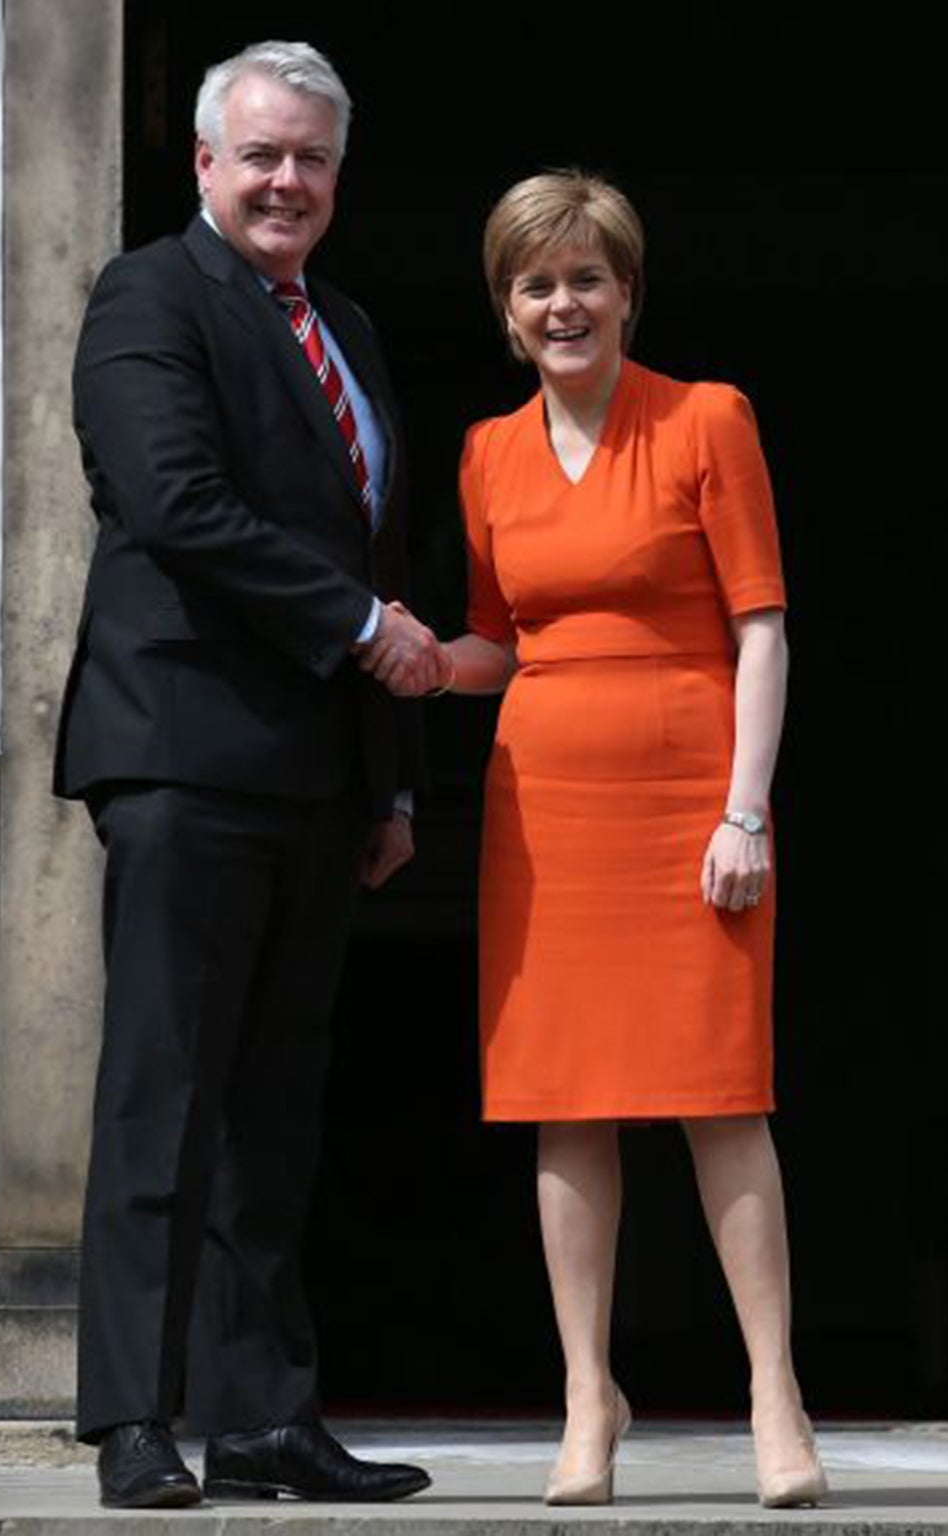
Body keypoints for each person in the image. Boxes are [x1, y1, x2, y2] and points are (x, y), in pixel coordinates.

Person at [365, 170, 826, 1509]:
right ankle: (587, 1396)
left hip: (693, 800)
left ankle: (774, 1394)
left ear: (627, 292)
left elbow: (761, 628)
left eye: (584, 279)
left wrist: (746, 809)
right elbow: (503, 643)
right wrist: (421, 661)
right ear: (505, 311)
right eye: (535, 284)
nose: (561, 304)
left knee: (719, 1093)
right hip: (547, 807)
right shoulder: (487, 452)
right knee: (563, 1104)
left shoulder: (706, 417)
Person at [55, 40, 443, 1510]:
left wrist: (390, 783)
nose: (289, 182)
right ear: (206, 163)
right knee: (164, 1094)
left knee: (275, 1110)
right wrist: (363, 630)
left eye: (314, 160)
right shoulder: (150, 295)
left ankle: (265, 1416)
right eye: (264, 155)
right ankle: (133, 1421)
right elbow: (174, 500)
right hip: (184, 752)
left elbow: (378, 549)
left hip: (318, 779)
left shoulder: (342, 324)